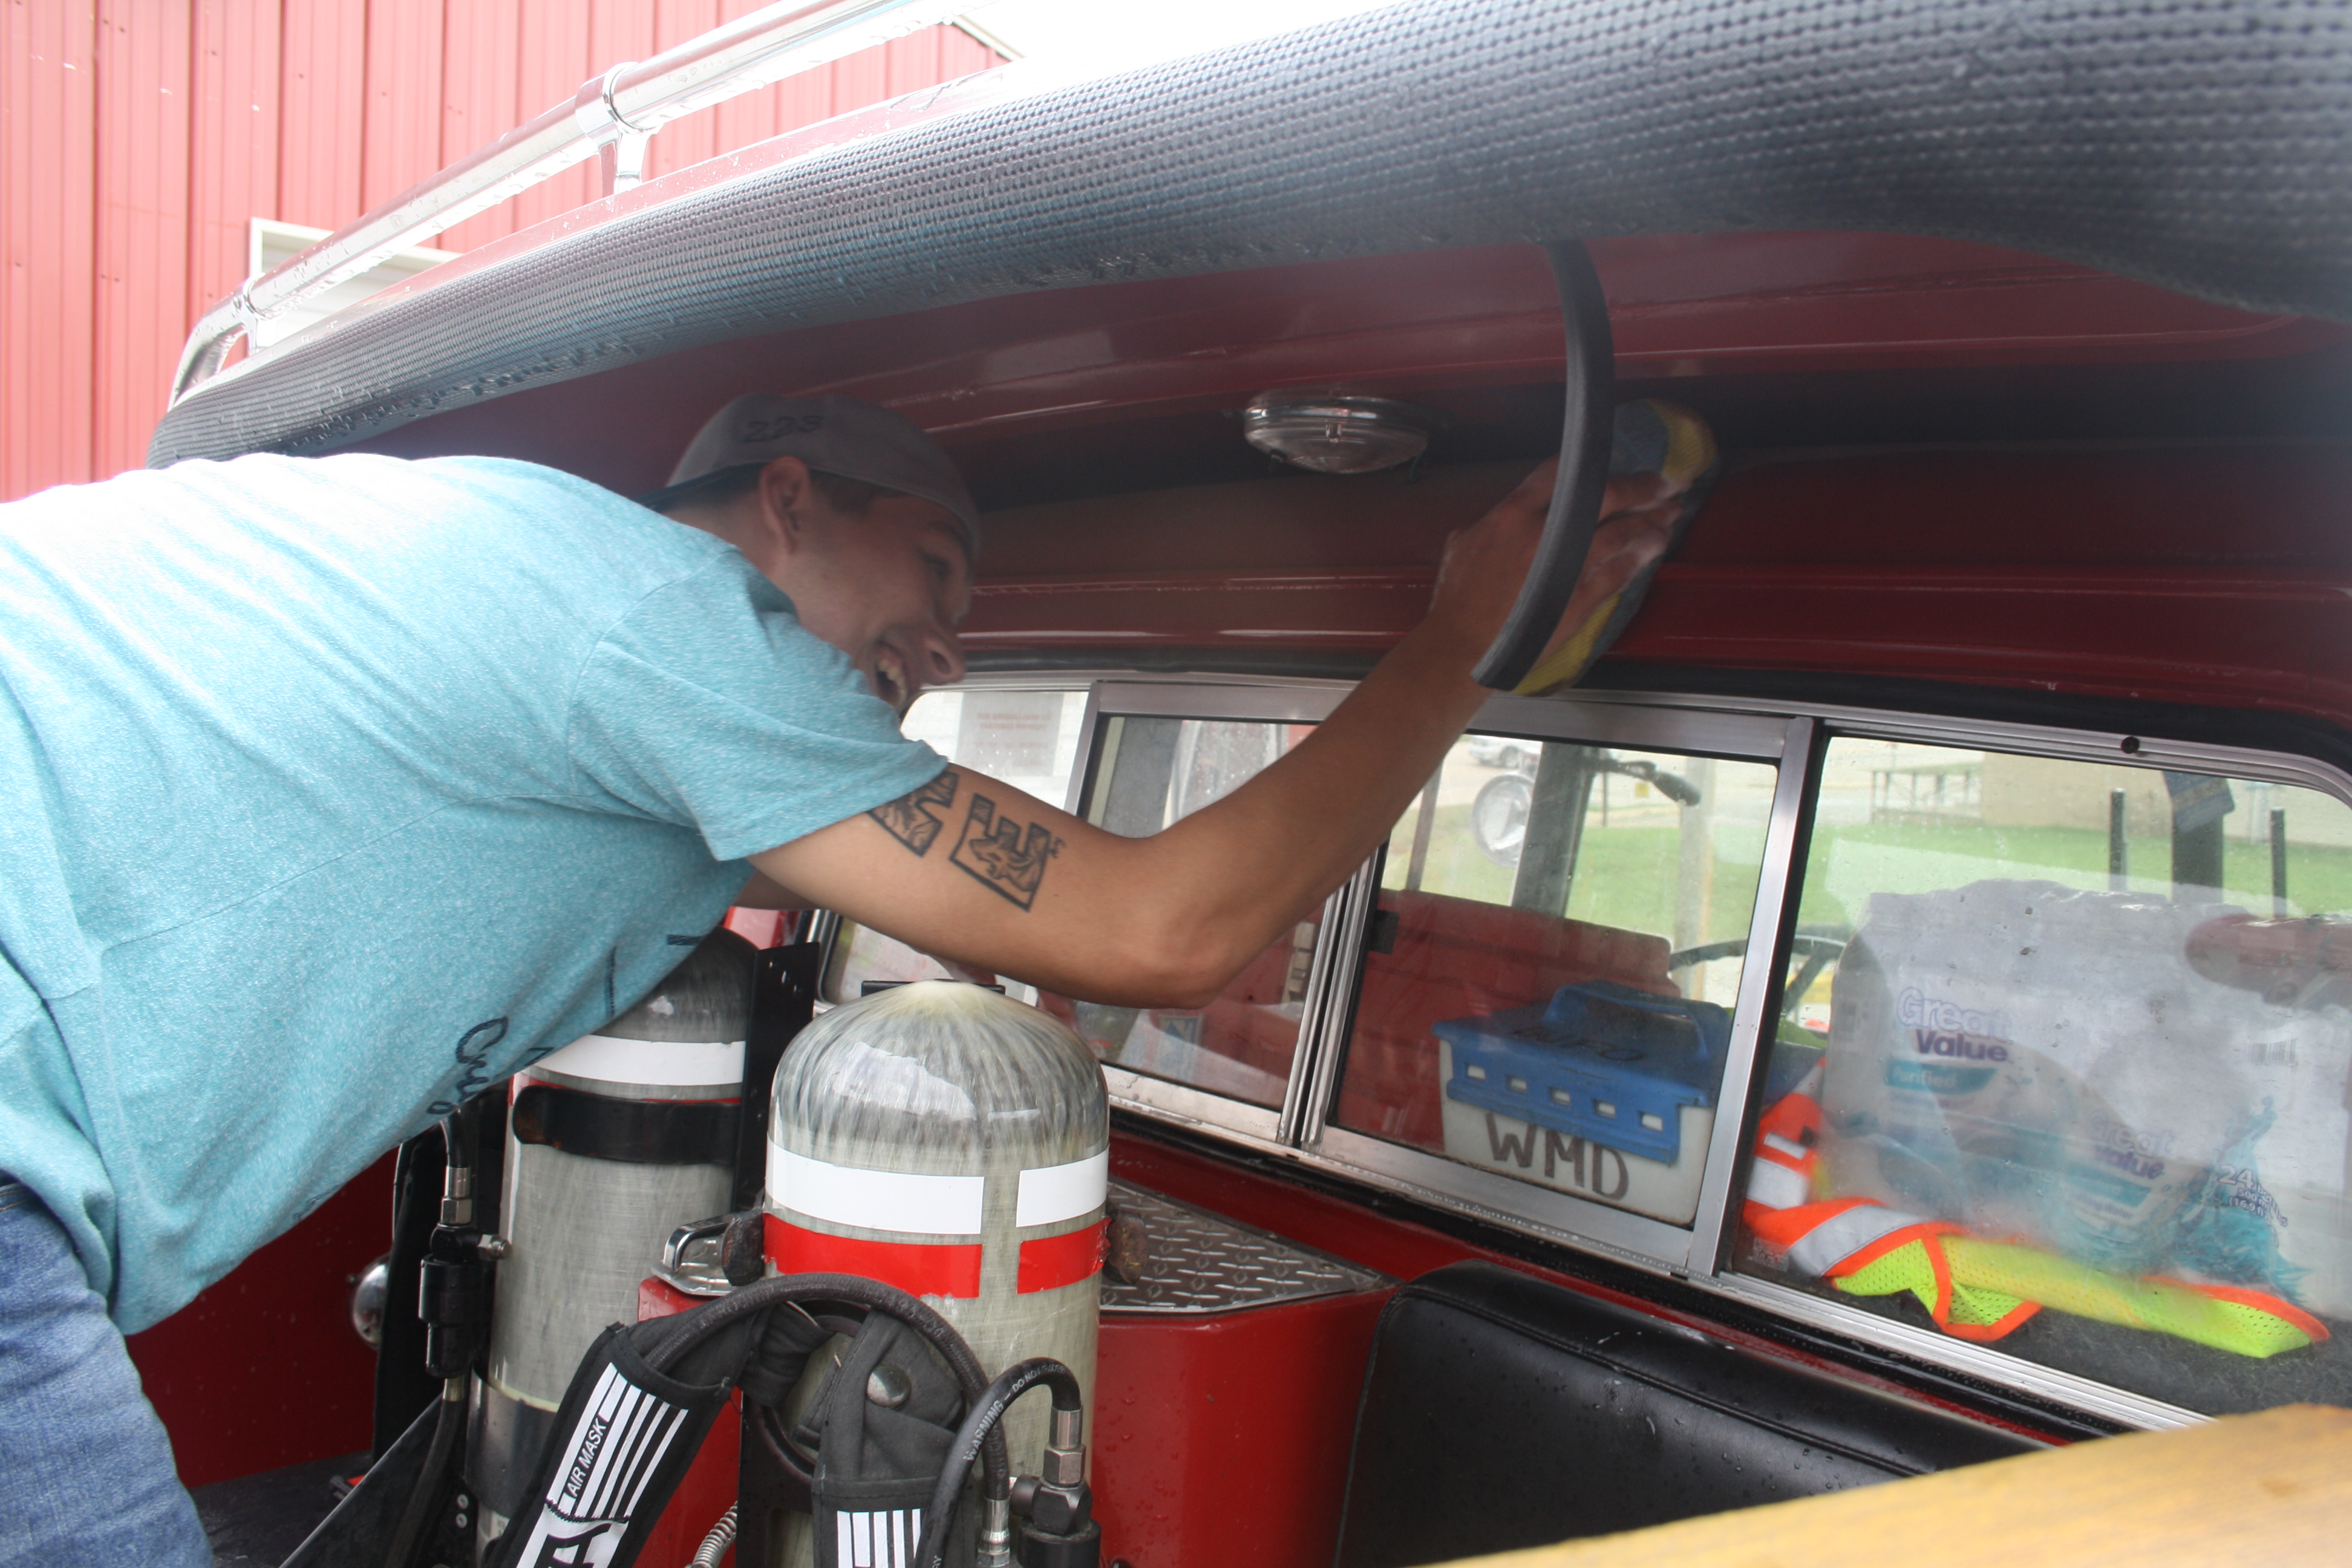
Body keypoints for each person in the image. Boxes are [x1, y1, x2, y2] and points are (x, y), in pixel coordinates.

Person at [0, 392, 1689, 1564]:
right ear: (791, 500)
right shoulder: (668, 622)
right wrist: (1464, 644)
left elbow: (1020, 922)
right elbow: (1158, 929)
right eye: (939, 570)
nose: (952, 643)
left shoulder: (552, 619)